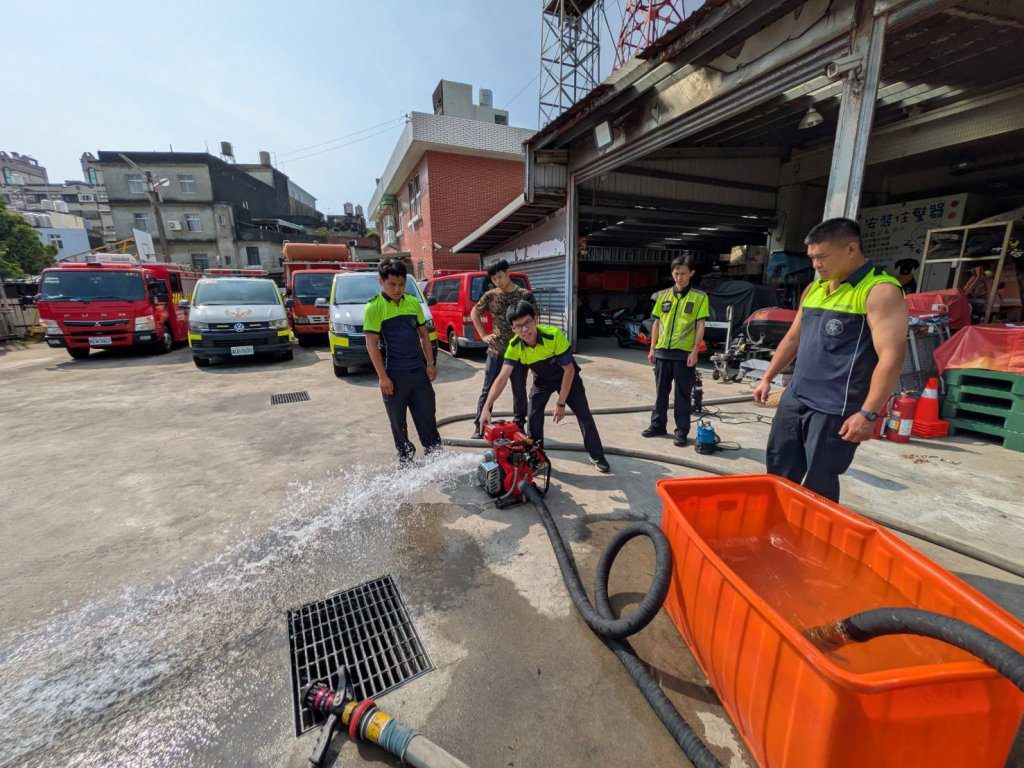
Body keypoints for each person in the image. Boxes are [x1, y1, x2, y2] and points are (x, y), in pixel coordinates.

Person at [754, 218, 908, 502]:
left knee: (818, 483)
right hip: (796, 397)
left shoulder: (879, 291)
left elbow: (892, 357)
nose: (816, 265)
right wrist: (767, 377)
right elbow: (792, 339)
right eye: (812, 258)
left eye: (822, 257)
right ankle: (775, 528)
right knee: (778, 468)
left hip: (834, 407)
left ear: (851, 249)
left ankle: (811, 540)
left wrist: (868, 414)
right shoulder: (815, 289)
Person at [479, 300, 610, 473]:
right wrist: (486, 407)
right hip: (542, 379)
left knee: (583, 414)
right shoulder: (515, 346)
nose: (524, 329)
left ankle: (597, 455)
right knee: (533, 414)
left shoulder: (553, 335)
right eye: (518, 326)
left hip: (566, 377)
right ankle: (536, 457)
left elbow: (569, 370)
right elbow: (502, 377)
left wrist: (561, 403)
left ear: (536, 319)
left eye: (527, 322)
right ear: (513, 329)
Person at [364, 258, 442, 463]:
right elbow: (371, 344)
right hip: (394, 374)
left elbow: (424, 335)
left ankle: (434, 455)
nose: (397, 289)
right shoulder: (374, 307)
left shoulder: (413, 302)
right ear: (381, 282)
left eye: (401, 284)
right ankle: (406, 459)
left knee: (427, 415)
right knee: (398, 422)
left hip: (418, 371)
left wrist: (431, 364)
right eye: (392, 285)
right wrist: (383, 377)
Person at [641, 254, 710, 447]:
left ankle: (681, 431)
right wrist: (652, 348)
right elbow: (656, 323)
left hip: (684, 354)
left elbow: (700, 324)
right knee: (660, 393)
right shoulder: (663, 296)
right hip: (662, 352)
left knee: (682, 395)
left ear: (691, 274)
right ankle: (657, 426)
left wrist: (695, 350)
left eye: (683, 273)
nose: (679, 277)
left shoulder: (699, 297)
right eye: (676, 273)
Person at [470, 259, 535, 439]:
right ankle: (480, 425)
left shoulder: (525, 295)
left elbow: (535, 319)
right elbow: (474, 312)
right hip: (497, 350)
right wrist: (483, 335)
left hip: (520, 352)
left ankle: (519, 425)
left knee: (519, 390)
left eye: (500, 277)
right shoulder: (491, 295)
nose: (498, 282)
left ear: (508, 272)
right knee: (488, 388)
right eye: (494, 279)